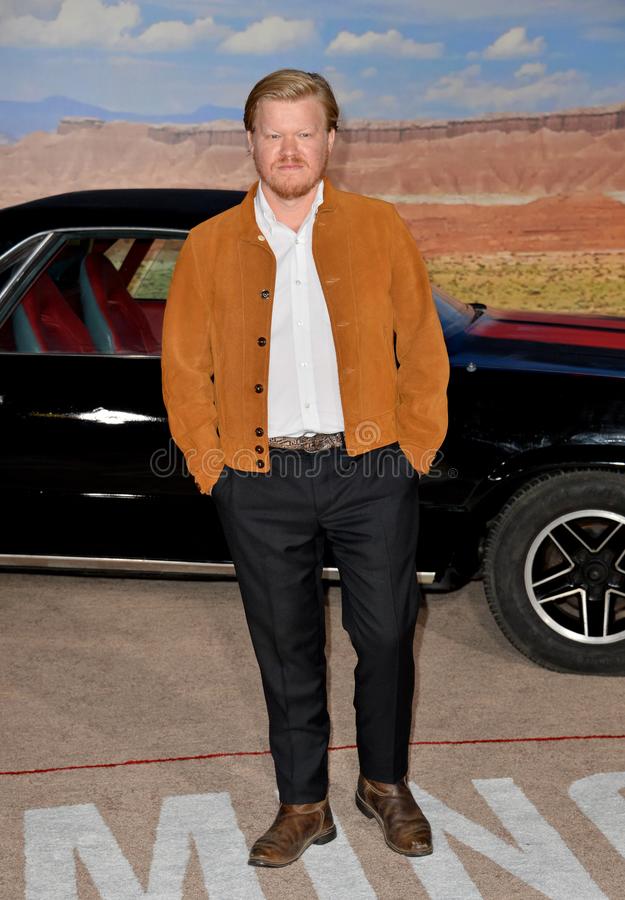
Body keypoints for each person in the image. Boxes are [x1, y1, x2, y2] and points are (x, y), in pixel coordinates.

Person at [161, 68, 450, 868]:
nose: (288, 149)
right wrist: (214, 468)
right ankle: (303, 804)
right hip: (259, 480)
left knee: (386, 635)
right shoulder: (209, 244)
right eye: (273, 134)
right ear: (250, 141)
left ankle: (383, 784)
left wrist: (411, 451)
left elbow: (422, 347)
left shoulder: (379, 226)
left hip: (370, 471)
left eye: (304, 132)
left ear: (330, 139)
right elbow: (183, 371)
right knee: (286, 648)